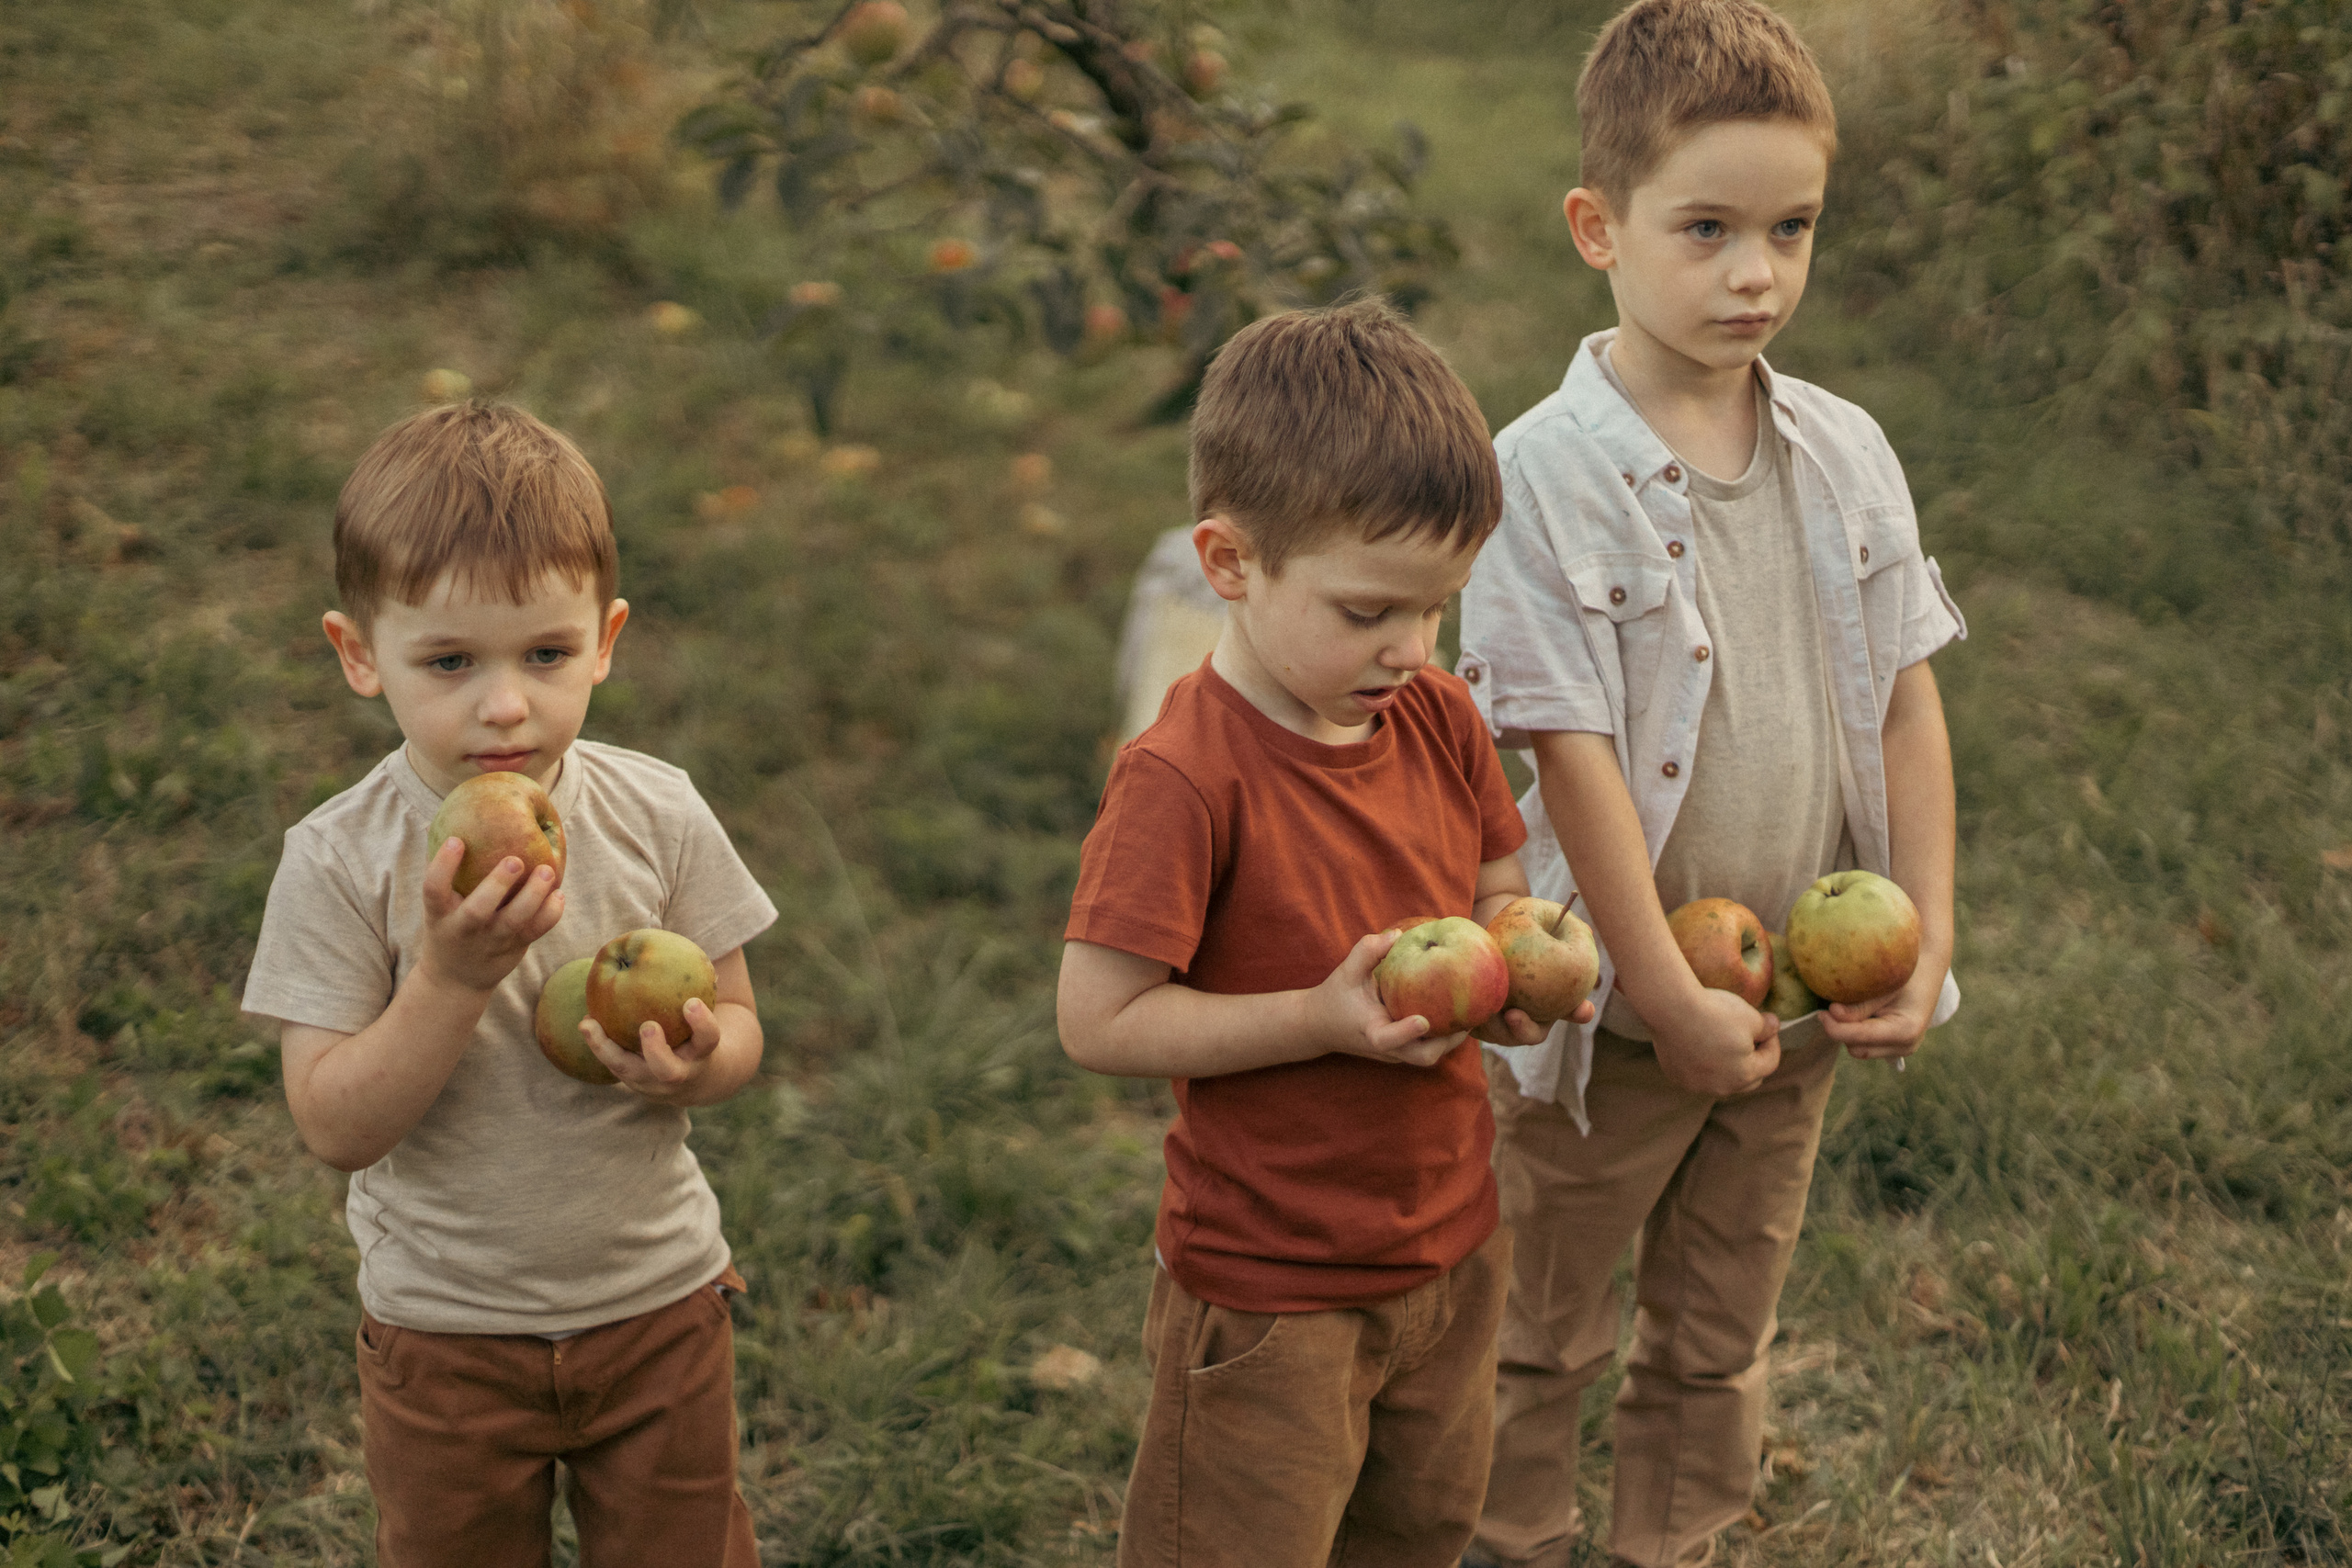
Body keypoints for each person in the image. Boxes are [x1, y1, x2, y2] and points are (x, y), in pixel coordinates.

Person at [1453, 3, 1967, 1564]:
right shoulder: (1540, 474)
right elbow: (1571, 748)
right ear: (1598, 229)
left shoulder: (1846, 449)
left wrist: (1928, 925)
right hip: (1612, 1011)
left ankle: (1671, 1539)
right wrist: (1652, 982)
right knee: (1543, 1316)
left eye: (1791, 227)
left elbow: (1904, 696)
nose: (1759, 271)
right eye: (1710, 229)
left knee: (1721, 1316)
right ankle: (1511, 1533)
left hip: (1794, 992)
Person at [1057, 298, 1592, 1568]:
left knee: (1415, 1533)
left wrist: (1514, 972)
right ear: (1231, 563)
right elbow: (1099, 1016)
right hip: (1269, 1286)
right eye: (1368, 613)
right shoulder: (1185, 776)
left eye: (1438, 608)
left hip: (1453, 1243)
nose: (1412, 648)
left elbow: (1494, 896)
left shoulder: (1440, 715)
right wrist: (1318, 1016)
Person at [240, 401, 775, 1567]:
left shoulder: (660, 814)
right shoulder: (337, 860)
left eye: (545, 654)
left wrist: (697, 1060)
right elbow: (334, 1123)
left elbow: (740, 1030)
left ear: (606, 639)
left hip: (657, 1305)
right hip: (448, 1335)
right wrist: (448, 976)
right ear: (356, 656)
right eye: (448, 662)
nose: (504, 705)